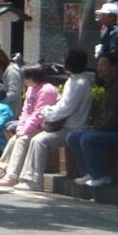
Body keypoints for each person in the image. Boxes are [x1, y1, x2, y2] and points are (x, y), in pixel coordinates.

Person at [19, 49, 94, 191]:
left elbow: (66, 108)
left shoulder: (80, 83)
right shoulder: (74, 80)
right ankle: (28, 177)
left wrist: (47, 113)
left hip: (73, 128)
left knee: (39, 141)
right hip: (66, 126)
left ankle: (34, 180)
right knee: (37, 139)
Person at [0, 65, 60, 189]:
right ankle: (1, 171)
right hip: (31, 125)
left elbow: (38, 114)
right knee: (13, 139)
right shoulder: (31, 89)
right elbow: (26, 111)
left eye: (26, 77)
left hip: (44, 126)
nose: (24, 80)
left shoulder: (47, 90)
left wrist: (25, 130)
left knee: (22, 140)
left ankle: (12, 176)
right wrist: (21, 127)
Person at [67, 54, 118, 187]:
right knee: (73, 137)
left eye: (103, 65)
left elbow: (113, 119)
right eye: (98, 65)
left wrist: (96, 129)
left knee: (88, 139)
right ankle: (88, 173)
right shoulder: (109, 86)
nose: (99, 69)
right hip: (107, 129)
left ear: (114, 67)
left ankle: (100, 176)